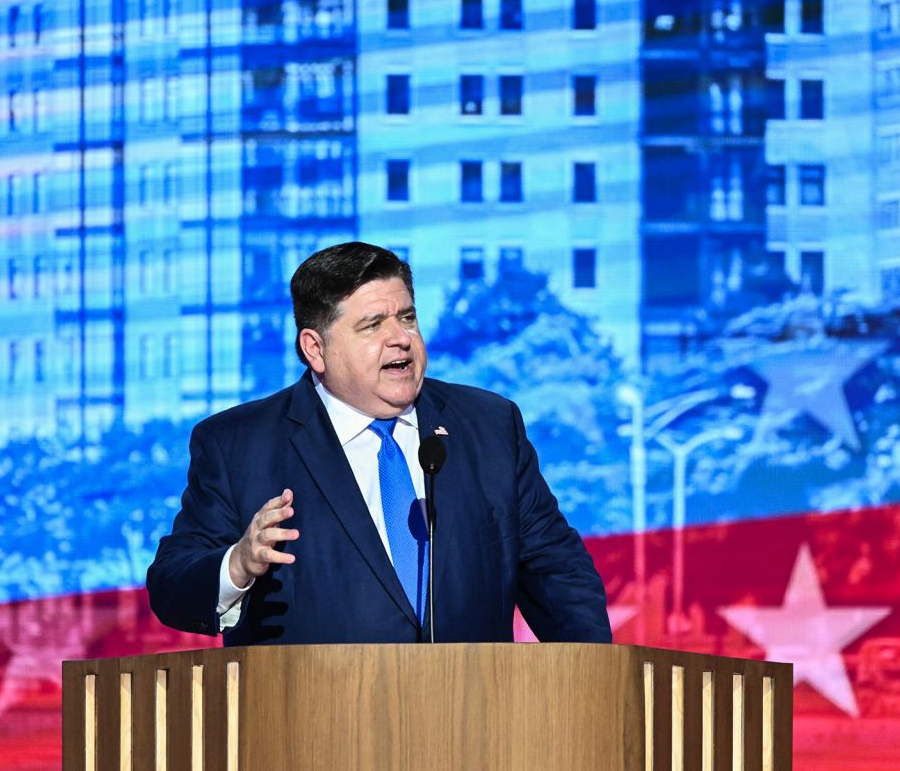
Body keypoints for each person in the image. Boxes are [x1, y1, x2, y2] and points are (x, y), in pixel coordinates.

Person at [146, 242, 611, 645]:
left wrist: (593, 688)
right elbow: (172, 587)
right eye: (372, 325)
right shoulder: (238, 445)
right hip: (313, 730)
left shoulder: (488, 426)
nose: (401, 339)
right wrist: (239, 564)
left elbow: (560, 577)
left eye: (406, 317)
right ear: (315, 349)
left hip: (474, 723)